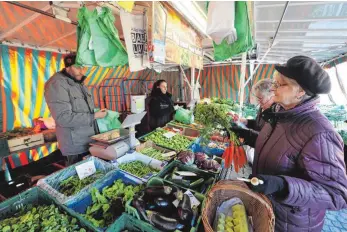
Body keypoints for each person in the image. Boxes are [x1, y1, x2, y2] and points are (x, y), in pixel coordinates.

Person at [234, 56, 347, 232]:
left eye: (280, 84)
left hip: (291, 223)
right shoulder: (281, 113)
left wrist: (283, 185)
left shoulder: (319, 131)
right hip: (268, 211)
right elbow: (280, 148)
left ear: (300, 92)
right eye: (275, 82)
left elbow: (337, 194)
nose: (273, 87)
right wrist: (246, 134)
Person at [44, 54, 107, 165]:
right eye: (78, 67)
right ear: (68, 66)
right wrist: (94, 116)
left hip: (88, 141)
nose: (82, 71)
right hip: (76, 146)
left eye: (84, 67)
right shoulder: (56, 84)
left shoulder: (77, 82)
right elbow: (63, 118)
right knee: (82, 179)